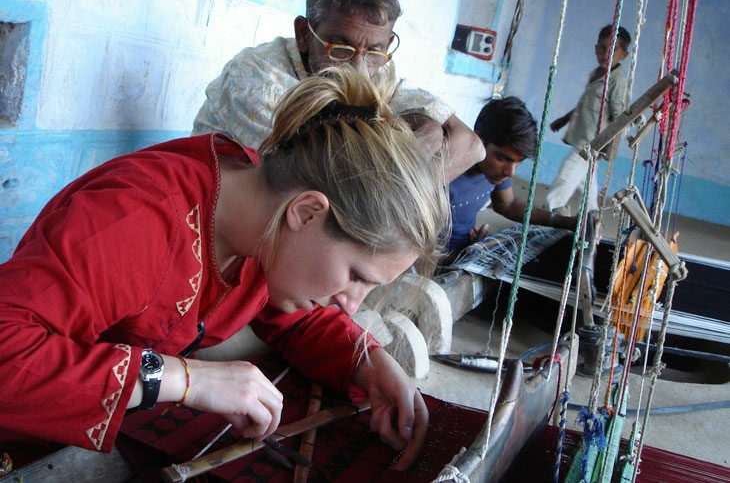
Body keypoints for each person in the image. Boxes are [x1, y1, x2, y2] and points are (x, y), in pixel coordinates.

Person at [0, 67, 450, 471]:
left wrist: (369, 363)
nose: (352, 306)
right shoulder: (137, 219)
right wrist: (184, 378)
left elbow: (294, 318)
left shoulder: (264, 224)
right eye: (357, 277)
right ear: (309, 212)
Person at [192, 0, 484, 182]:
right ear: (304, 34)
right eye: (340, 48)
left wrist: (428, 133)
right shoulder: (256, 81)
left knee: (431, 128)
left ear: (388, 43)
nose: (358, 70)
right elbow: (332, 186)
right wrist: (411, 182)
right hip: (213, 220)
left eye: (374, 50)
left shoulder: (377, 68)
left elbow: (471, 146)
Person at [447, 97, 578, 255]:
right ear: (478, 140)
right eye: (502, 159)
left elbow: (507, 204)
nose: (510, 172)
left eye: (518, 163)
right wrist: (458, 257)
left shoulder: (493, 172)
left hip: (465, 248)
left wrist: (564, 222)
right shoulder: (447, 173)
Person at [544, 24, 631, 214]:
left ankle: (551, 210)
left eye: (613, 49)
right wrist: (563, 120)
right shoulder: (597, 74)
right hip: (583, 137)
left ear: (623, 55)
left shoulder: (617, 82)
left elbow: (619, 118)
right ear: (595, 49)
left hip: (592, 144)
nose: (605, 53)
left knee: (567, 174)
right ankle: (593, 217)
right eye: (601, 47)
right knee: (586, 183)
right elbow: (585, 104)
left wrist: (607, 146)